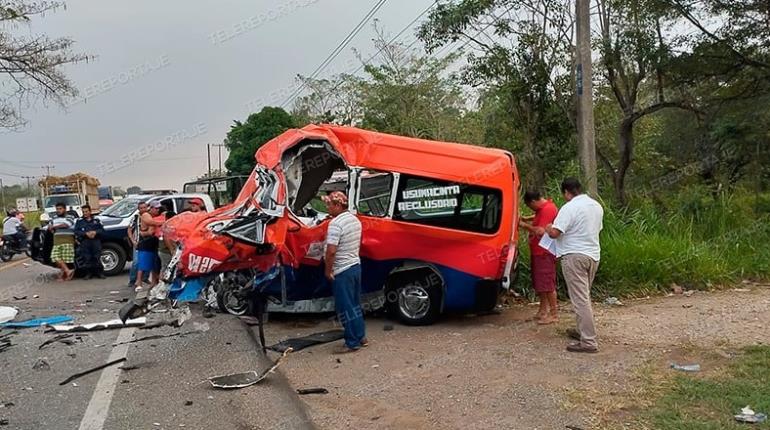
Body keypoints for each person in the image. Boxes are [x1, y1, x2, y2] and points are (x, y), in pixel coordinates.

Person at [543, 178, 604, 353]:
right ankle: (582, 331)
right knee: (583, 296)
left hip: (573, 256)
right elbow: (597, 230)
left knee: (580, 300)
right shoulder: (596, 206)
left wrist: (548, 227)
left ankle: (589, 341)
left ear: (566, 192)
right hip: (593, 256)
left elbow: (555, 233)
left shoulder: (569, 207)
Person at [323, 191, 367, 353]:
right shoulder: (355, 220)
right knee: (355, 304)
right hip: (355, 266)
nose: (327, 208)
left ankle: (351, 342)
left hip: (342, 270)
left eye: (329, 205)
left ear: (338, 205)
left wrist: (328, 271)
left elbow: (331, 251)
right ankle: (361, 336)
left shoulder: (335, 224)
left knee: (345, 308)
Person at [519, 190, 559, 325]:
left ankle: (553, 313)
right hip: (537, 251)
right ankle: (543, 310)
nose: (532, 209)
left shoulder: (548, 209)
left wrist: (524, 225)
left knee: (547, 282)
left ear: (534, 202)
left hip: (545, 252)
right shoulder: (542, 209)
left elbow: (541, 231)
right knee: (540, 283)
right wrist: (527, 218)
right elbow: (537, 215)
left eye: (530, 206)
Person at [133, 201, 164, 291]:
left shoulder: (157, 216)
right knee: (143, 264)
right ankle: (138, 282)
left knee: (154, 264)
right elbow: (151, 223)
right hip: (145, 243)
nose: (157, 210)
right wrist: (163, 222)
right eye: (155, 208)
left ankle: (154, 282)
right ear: (151, 208)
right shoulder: (146, 215)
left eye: (158, 208)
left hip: (153, 242)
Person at [74, 205, 105, 279]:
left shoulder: (96, 220)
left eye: (86, 211)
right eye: (83, 212)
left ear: (90, 211)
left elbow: (102, 230)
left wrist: (95, 232)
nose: (85, 213)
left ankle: (99, 273)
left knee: (96, 257)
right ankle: (88, 273)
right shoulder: (79, 221)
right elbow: (76, 231)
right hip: (85, 241)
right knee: (87, 258)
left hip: (95, 241)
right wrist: (85, 234)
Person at [48, 202, 77, 281]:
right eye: (57, 209)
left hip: (67, 239)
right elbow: (50, 225)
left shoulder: (70, 217)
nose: (58, 210)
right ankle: (68, 271)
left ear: (65, 209)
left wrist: (54, 226)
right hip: (57, 240)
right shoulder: (53, 218)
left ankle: (64, 275)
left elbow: (66, 224)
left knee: (65, 259)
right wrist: (51, 227)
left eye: (60, 209)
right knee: (55, 257)